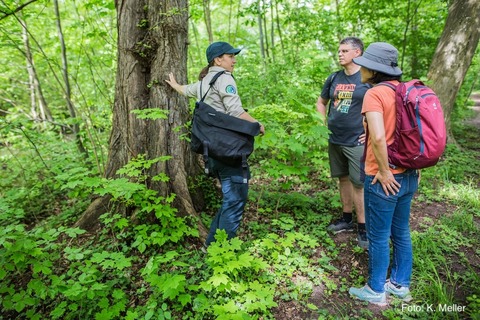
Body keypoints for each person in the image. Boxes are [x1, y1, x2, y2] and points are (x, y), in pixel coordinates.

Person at [165, 41, 265, 248]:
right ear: (218, 60)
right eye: (230, 56)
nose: (234, 60)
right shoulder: (225, 79)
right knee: (235, 200)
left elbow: (186, 90)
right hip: (229, 151)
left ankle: (211, 247)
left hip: (212, 152)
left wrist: (174, 85)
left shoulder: (203, 83)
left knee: (230, 200)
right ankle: (220, 252)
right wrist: (258, 125)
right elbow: (235, 111)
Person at [348, 42, 419, 305]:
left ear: (373, 69)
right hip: (410, 173)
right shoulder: (404, 91)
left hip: (383, 179)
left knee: (378, 236)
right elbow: (410, 132)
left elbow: (379, 137)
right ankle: (400, 285)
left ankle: (376, 290)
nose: (361, 67)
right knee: (400, 230)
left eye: (364, 63)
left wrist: (385, 171)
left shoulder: (374, 94)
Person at [316, 37, 371, 249]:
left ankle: (363, 227)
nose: (340, 54)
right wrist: (322, 124)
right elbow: (322, 102)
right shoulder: (334, 78)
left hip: (356, 140)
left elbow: (383, 107)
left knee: (359, 184)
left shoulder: (366, 78)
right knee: (343, 179)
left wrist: (373, 131)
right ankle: (346, 218)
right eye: (339, 50)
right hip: (335, 139)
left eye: (344, 50)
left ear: (357, 53)